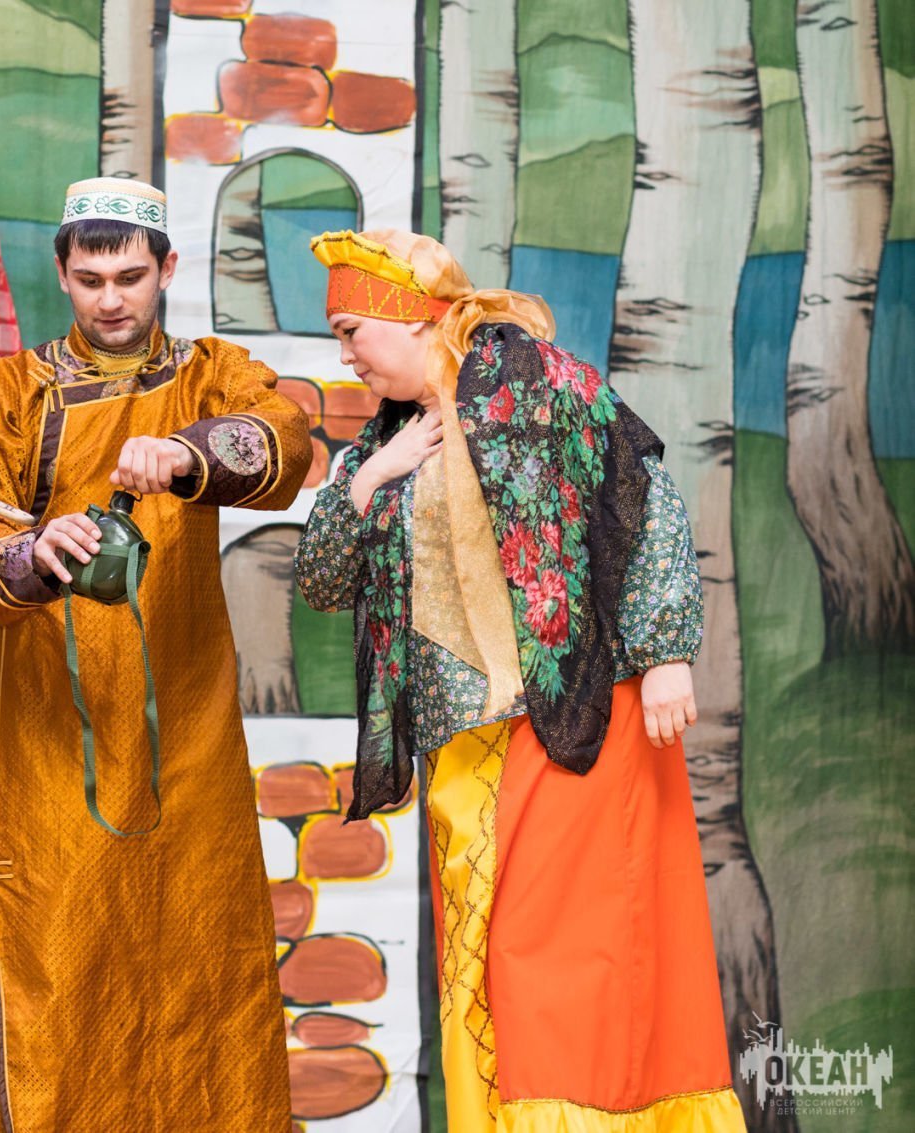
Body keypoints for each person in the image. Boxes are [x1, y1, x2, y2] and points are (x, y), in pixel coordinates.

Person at [295, 229, 746, 1131]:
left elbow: (644, 493)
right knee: (489, 965)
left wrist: (665, 652)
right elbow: (323, 579)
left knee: (573, 963)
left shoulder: (537, 384)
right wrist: (372, 475)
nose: (344, 357)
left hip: (578, 719)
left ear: (408, 316)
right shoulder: (383, 442)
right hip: (470, 752)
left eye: (351, 332)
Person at [0, 177, 312, 1130]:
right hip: (51, 730)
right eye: (91, 279)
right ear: (62, 272)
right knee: (52, 953)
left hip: (186, 719)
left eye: (131, 278)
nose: (110, 299)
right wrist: (35, 549)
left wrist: (187, 453)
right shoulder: (7, 395)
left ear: (167, 269)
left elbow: (285, 437)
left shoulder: (210, 375)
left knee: (198, 948)